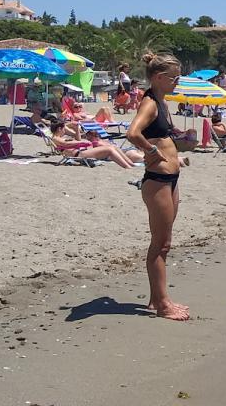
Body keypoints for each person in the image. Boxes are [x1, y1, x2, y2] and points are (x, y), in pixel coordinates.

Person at [126, 53, 189, 321]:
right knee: (160, 245)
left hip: (170, 178)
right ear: (158, 78)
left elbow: (163, 136)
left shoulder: (162, 102)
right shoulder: (150, 103)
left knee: (166, 243)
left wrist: (181, 145)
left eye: (179, 77)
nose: (177, 82)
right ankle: (163, 305)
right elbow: (132, 133)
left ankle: (155, 298)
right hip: (158, 181)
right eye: (174, 78)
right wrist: (151, 151)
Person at [48, 117, 141, 168]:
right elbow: (66, 145)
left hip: (81, 151)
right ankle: (127, 166)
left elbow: (77, 140)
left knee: (113, 147)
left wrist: (76, 130)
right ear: (59, 129)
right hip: (79, 154)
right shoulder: (56, 138)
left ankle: (130, 164)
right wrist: (83, 143)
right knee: (109, 149)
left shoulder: (60, 137)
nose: (65, 130)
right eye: (64, 128)